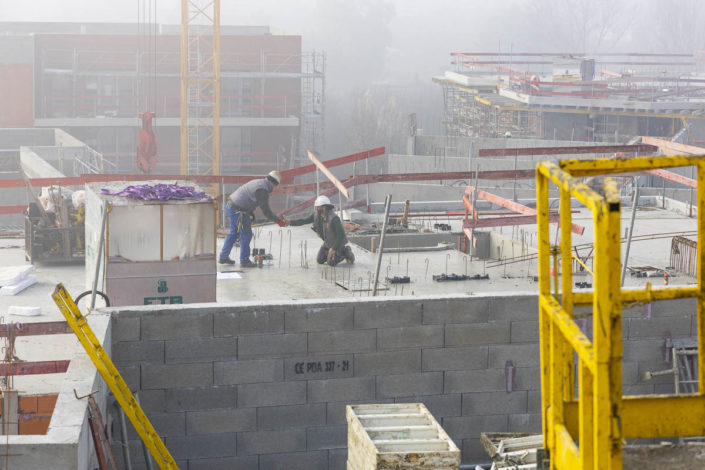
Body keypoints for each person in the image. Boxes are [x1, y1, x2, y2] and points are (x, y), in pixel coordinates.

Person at [219, 170, 285, 267]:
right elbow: (266, 211)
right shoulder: (263, 190)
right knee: (246, 234)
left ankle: (223, 257)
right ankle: (244, 261)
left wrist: (250, 212)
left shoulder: (260, 183)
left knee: (234, 233)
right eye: (275, 186)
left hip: (231, 206)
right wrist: (279, 221)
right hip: (238, 211)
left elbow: (249, 197)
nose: (274, 188)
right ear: (273, 183)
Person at [288, 195, 354, 266]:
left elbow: (340, 236)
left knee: (331, 263)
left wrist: (333, 249)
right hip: (327, 243)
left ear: (324, 207)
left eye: (318, 207)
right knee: (320, 260)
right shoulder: (317, 215)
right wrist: (289, 222)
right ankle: (330, 252)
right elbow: (304, 221)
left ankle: (346, 251)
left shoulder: (334, 219)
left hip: (337, 244)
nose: (316, 209)